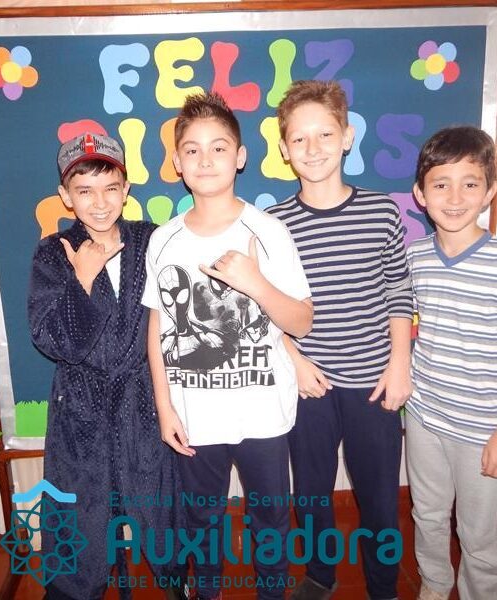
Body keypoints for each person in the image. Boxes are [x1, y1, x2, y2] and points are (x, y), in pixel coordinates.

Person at [142, 92, 313, 600]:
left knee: (270, 518)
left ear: (240, 157)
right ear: (177, 163)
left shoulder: (269, 231)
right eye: (192, 150)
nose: (205, 159)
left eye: (218, 148)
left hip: (262, 410)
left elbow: (302, 322)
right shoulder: (164, 239)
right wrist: (164, 406)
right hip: (195, 410)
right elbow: (157, 325)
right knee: (202, 517)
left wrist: (256, 283)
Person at [266, 80, 413, 600]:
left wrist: (400, 364)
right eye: (299, 138)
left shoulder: (381, 211)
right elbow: (264, 306)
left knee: (379, 499)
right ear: (284, 149)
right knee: (310, 494)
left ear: (347, 137)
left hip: (374, 381)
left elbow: (398, 291)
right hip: (309, 384)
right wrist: (294, 359)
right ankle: (320, 576)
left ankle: (384, 586)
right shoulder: (274, 223)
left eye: (325, 134)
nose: (313, 148)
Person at [28, 133, 188, 600]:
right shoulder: (54, 252)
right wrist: (83, 278)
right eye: (85, 190)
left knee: (159, 497)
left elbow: (179, 310)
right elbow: (53, 340)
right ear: (66, 196)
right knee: (80, 506)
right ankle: (74, 589)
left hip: (142, 395)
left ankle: (175, 577)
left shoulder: (152, 240)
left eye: (110, 188)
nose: (99, 203)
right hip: (80, 403)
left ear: (126, 189)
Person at [405, 125, 497, 600]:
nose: (455, 197)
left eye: (470, 183)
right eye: (441, 184)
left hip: (483, 429)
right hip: (425, 417)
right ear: (421, 194)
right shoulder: (414, 258)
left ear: (490, 191)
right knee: (428, 514)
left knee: (480, 537)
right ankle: (435, 586)